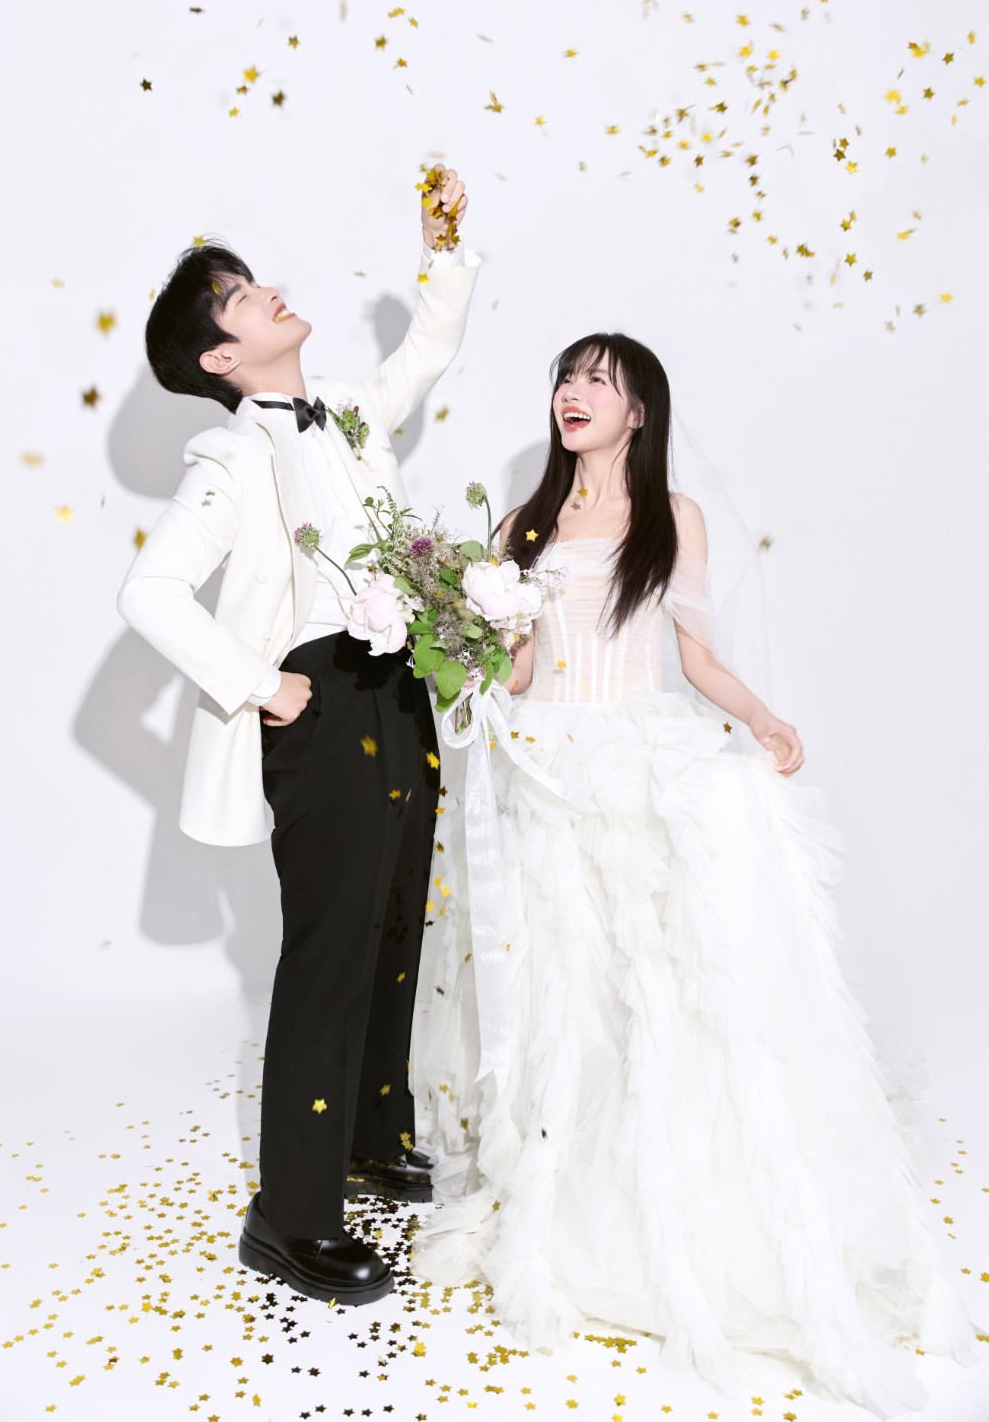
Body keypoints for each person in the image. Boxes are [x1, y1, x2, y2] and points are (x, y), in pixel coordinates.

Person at [409, 333, 978, 1413]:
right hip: (544, 767)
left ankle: (663, 1199)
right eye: (566, 377)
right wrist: (467, 643)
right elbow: (519, 668)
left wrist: (763, 718)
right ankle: (562, 1179)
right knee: (558, 986)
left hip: (636, 757)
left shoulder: (674, 517)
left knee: (655, 986)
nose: (574, 393)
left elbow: (697, 657)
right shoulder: (521, 524)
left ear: (639, 412)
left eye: (599, 381)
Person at [117, 167, 479, 1307]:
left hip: (399, 684)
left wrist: (443, 250)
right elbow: (150, 592)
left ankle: (371, 1138)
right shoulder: (231, 457)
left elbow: (426, 353)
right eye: (239, 297)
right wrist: (260, 687)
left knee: (394, 923)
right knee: (328, 948)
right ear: (220, 357)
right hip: (320, 701)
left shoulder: (347, 410)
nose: (267, 291)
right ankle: (292, 1217)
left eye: (252, 280)